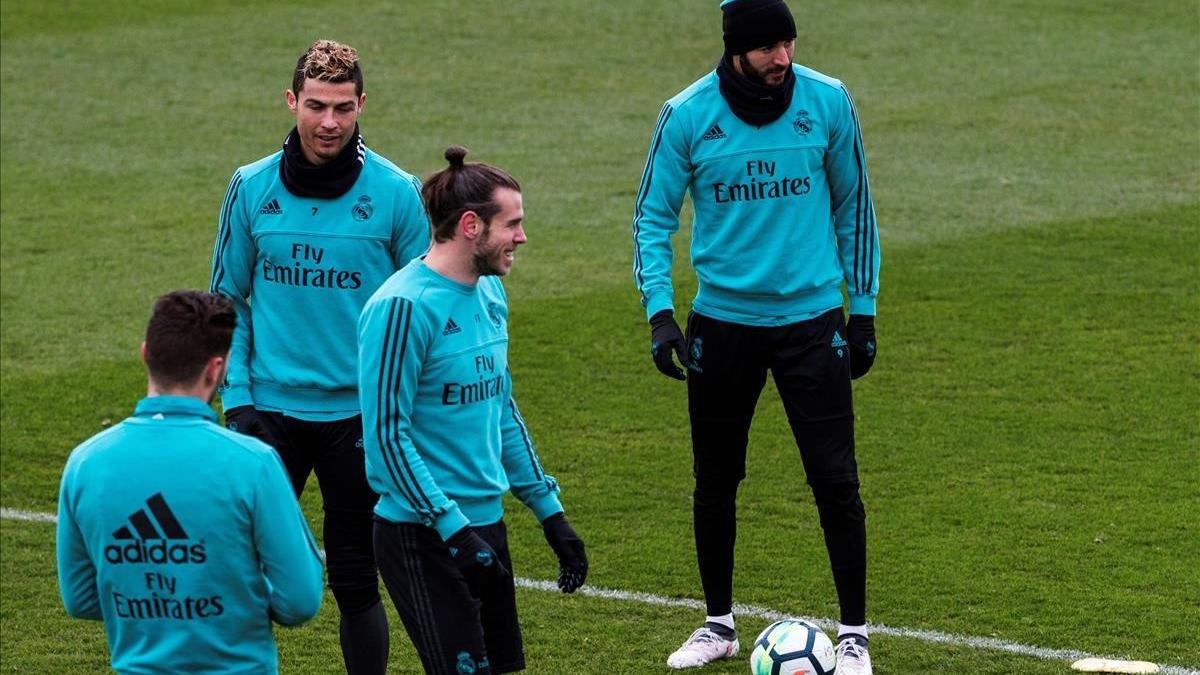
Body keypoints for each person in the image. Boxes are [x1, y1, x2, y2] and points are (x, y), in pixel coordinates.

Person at [631, 1, 881, 672]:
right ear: (737, 50)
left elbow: (856, 205)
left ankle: (854, 635)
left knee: (836, 480)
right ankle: (718, 624)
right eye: (769, 47)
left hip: (811, 324)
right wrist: (661, 313)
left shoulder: (828, 103)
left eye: (789, 43)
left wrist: (863, 312)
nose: (783, 58)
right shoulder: (686, 115)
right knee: (714, 479)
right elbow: (652, 218)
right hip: (724, 325)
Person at [208, 39, 431, 674]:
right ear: (291, 102)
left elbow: (422, 307)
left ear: (362, 104)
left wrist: (394, 406)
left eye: (342, 107)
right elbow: (228, 301)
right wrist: (240, 399)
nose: (328, 123)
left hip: (358, 420)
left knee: (357, 579)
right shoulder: (249, 189)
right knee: (242, 573)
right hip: (268, 416)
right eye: (315, 106)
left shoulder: (395, 194)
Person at [358, 146, 588, 675]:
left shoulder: (489, 295)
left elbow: (501, 410)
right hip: (423, 535)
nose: (522, 237)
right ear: (470, 225)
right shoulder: (402, 308)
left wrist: (550, 514)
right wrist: (454, 530)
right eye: (513, 224)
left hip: (485, 527)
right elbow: (387, 439)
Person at [56, 290, 324, 674]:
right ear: (216, 370)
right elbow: (299, 601)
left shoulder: (86, 462)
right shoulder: (254, 464)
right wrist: (226, 597)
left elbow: (80, 599)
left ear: (146, 353)